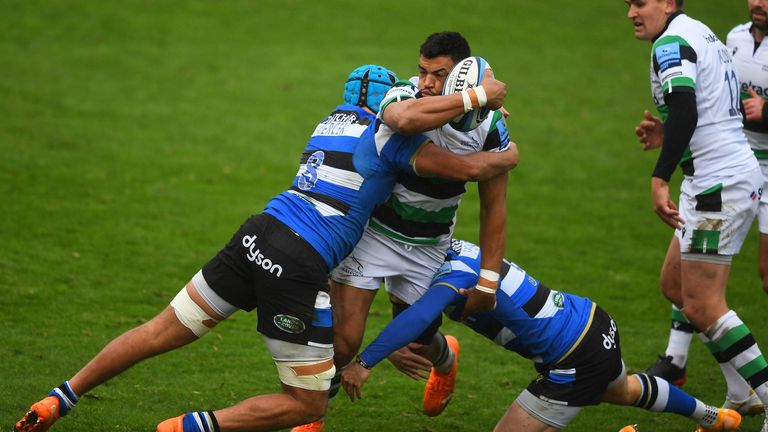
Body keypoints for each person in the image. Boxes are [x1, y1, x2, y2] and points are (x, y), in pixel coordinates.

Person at [14, 64, 515, 432]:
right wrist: (498, 135)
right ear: (390, 105)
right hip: (299, 261)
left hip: (256, 232)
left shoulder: (327, 122)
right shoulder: (391, 135)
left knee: (161, 330)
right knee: (306, 402)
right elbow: (467, 167)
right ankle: (184, 428)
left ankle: (60, 397)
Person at [296, 32, 513, 432]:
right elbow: (403, 120)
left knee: (417, 342)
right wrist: (476, 98)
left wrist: (488, 278)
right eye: (422, 72)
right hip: (374, 233)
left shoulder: (490, 129)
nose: (426, 83)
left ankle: (445, 358)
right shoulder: (404, 95)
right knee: (343, 343)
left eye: (439, 75)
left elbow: (494, 206)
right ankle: (309, 418)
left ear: (463, 74)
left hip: (428, 247)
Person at [340, 239, 743, 432]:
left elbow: (422, 315)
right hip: (593, 321)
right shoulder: (454, 248)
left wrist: (363, 362)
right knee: (624, 391)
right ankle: (716, 418)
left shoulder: (451, 276)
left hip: (571, 358)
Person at [627, 0, 768, 430]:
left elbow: (686, 107)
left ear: (668, 3)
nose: (632, 12)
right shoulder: (702, 32)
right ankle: (741, 393)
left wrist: (659, 176)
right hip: (714, 178)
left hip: (716, 187)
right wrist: (668, 135)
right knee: (675, 285)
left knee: (705, 304)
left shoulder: (670, 42)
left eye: (640, 2)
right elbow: (706, 110)